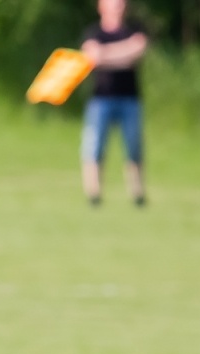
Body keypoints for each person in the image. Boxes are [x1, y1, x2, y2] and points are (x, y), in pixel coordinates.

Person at [81, 0, 149, 207]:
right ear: (101, 7)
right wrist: (122, 53)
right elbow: (92, 56)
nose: (117, 8)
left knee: (134, 147)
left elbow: (137, 51)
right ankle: (94, 194)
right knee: (94, 147)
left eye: (120, 4)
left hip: (130, 98)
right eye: (113, 4)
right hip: (100, 99)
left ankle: (137, 194)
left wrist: (106, 55)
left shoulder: (135, 29)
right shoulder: (93, 33)